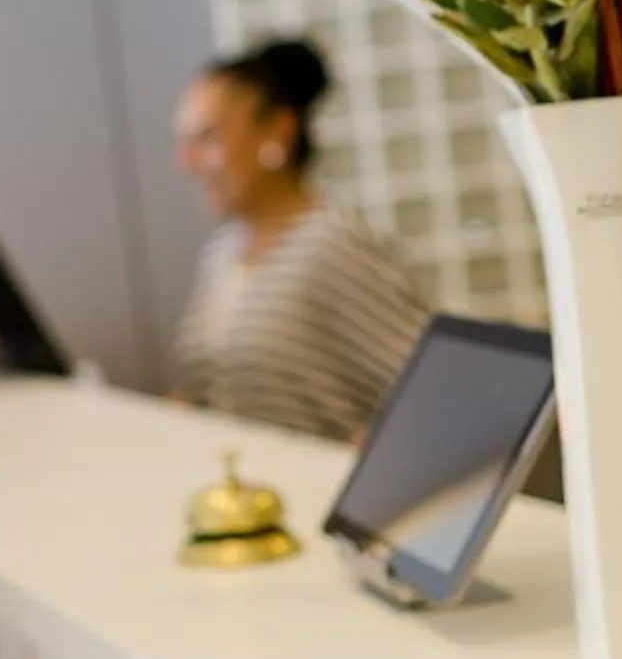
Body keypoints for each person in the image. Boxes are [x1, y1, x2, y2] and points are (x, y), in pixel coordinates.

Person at [170, 37, 432, 443]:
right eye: (183, 142)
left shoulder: (330, 246)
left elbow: (429, 391)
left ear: (278, 131)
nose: (185, 163)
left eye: (206, 137)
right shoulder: (221, 254)